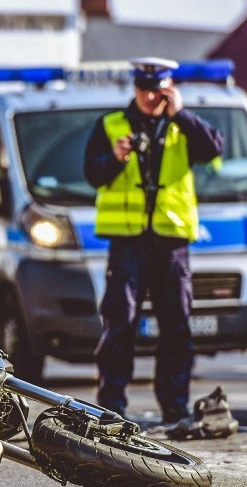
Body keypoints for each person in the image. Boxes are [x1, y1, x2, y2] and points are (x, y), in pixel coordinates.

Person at [83, 57, 224, 424]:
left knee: (176, 323)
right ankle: (112, 402)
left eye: (156, 90)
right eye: (143, 89)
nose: (149, 97)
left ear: (169, 88)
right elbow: (92, 174)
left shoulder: (182, 126)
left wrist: (183, 114)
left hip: (171, 240)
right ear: (134, 88)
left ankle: (174, 404)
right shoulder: (111, 124)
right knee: (121, 321)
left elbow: (213, 150)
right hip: (127, 242)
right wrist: (114, 158)